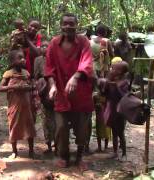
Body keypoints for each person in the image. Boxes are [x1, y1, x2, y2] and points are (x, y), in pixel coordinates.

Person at [45, 13, 94, 169]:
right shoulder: (53, 43)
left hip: (81, 93)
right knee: (61, 127)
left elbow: (87, 62)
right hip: (60, 92)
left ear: (76, 25)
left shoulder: (83, 41)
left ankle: (80, 156)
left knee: (82, 128)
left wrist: (75, 77)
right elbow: (49, 68)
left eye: (71, 23)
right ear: (61, 25)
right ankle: (63, 156)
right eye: (65, 23)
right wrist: (52, 85)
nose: (68, 26)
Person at [0, 49, 36, 158]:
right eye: (20, 58)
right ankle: (14, 151)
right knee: (14, 126)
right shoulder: (8, 73)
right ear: (12, 61)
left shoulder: (26, 73)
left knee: (29, 126)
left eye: (23, 57)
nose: (23, 60)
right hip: (14, 105)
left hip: (26, 105)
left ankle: (31, 151)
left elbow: (31, 85)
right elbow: (0, 88)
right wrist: (14, 87)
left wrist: (28, 87)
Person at [89, 24, 114, 153]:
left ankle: (95, 99)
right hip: (102, 69)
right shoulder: (106, 41)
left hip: (93, 68)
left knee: (95, 89)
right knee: (103, 88)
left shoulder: (89, 41)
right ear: (104, 33)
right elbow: (112, 54)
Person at [99, 60, 129, 160]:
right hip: (111, 110)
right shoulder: (111, 81)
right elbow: (104, 93)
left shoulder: (124, 83)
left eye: (113, 68)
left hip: (120, 112)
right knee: (114, 133)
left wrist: (115, 86)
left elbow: (124, 96)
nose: (111, 70)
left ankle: (124, 154)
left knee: (120, 133)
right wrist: (106, 83)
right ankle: (115, 152)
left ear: (120, 72)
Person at [34, 41, 55, 154]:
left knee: (56, 120)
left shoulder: (55, 58)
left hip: (53, 85)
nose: (44, 48)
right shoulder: (37, 60)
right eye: (42, 46)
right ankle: (48, 145)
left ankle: (57, 143)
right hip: (42, 86)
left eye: (47, 46)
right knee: (45, 120)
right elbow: (36, 75)